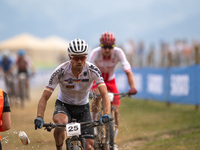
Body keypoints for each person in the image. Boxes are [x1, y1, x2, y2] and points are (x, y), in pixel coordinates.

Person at [34, 39, 111, 150]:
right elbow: (44, 96)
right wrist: (40, 116)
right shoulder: (60, 71)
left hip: (83, 108)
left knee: (89, 146)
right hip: (64, 106)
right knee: (61, 124)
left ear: (86, 57)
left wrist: (106, 113)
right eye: (76, 58)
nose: (79, 61)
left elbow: (104, 94)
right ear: (70, 56)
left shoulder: (93, 70)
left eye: (82, 57)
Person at [88, 32, 137, 141]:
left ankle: (112, 139)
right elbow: (87, 71)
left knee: (116, 110)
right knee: (97, 96)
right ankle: (93, 123)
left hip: (110, 81)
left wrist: (132, 87)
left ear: (114, 47)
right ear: (100, 46)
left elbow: (128, 71)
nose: (107, 50)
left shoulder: (119, 52)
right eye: (104, 47)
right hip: (97, 80)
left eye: (110, 47)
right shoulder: (95, 53)